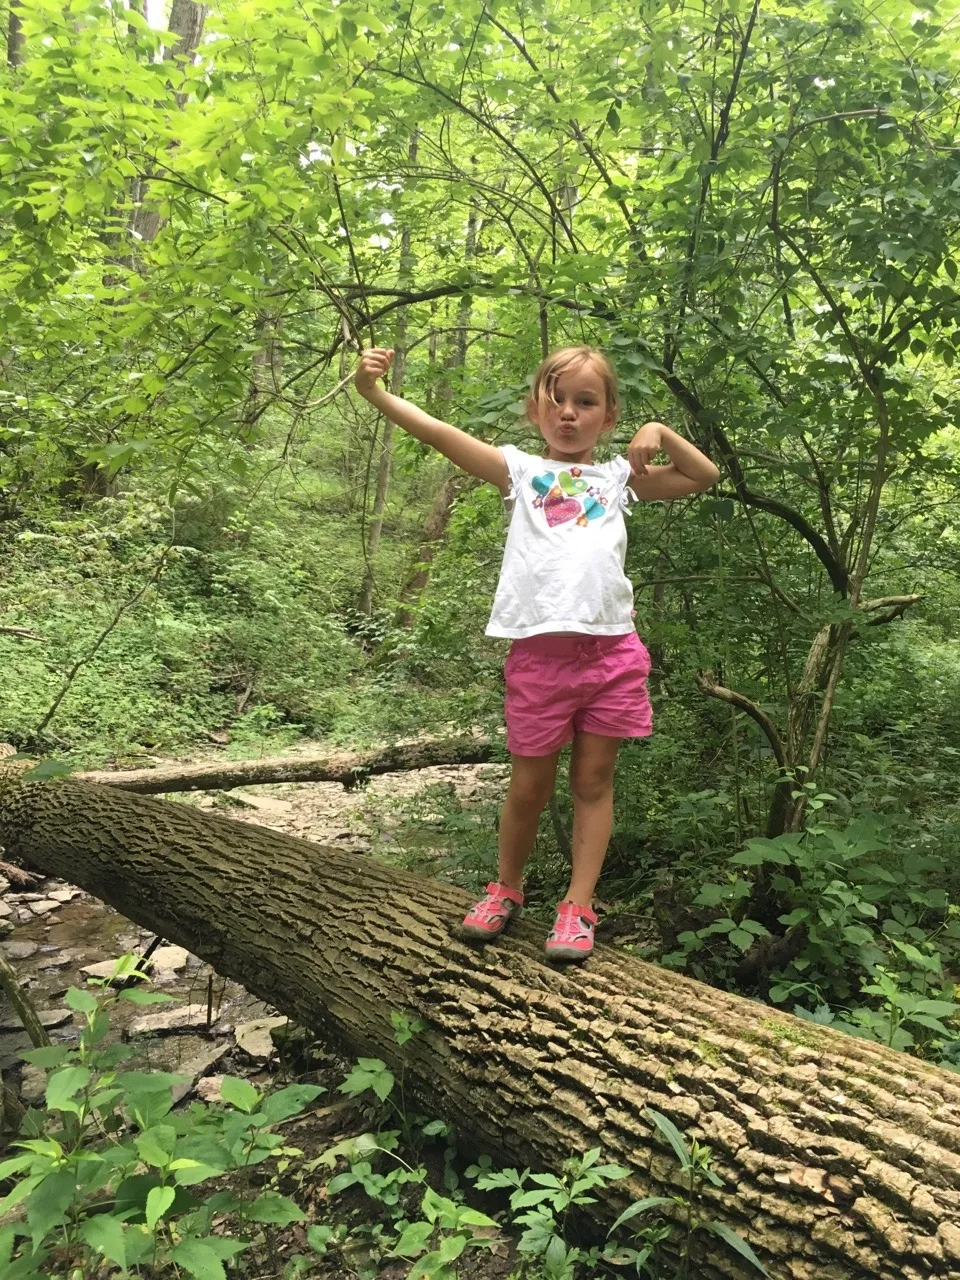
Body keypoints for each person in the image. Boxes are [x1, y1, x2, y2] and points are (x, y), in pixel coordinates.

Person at [354, 344, 719, 962]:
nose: (569, 413)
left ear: (608, 418)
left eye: (586, 402)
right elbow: (439, 432)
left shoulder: (618, 479)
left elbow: (703, 476)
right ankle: (506, 889)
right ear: (535, 410)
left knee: (593, 781)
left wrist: (658, 430)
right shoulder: (521, 472)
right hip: (540, 662)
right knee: (528, 787)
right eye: (556, 399)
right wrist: (375, 394)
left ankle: (577, 906)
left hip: (611, 657)